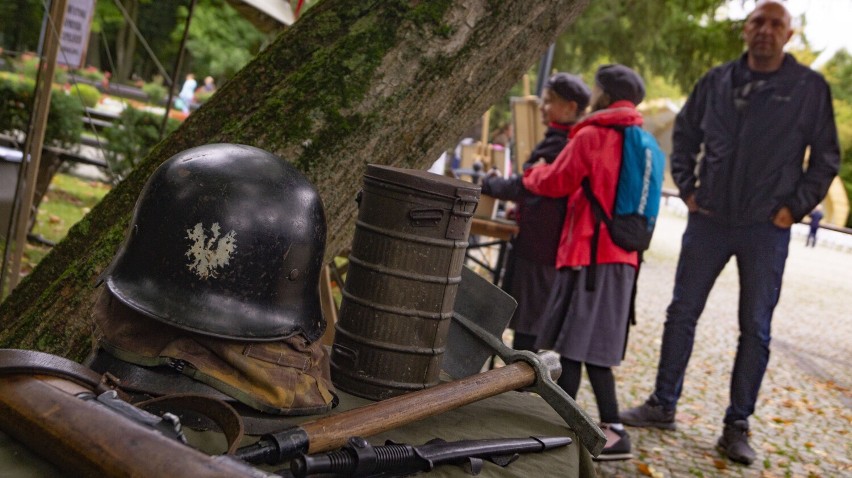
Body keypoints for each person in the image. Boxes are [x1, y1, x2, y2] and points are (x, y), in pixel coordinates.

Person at [619, 1, 840, 466]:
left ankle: (736, 425)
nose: (766, 30)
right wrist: (689, 188)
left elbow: (825, 158)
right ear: (746, 29)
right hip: (710, 220)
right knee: (681, 313)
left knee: (755, 329)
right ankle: (662, 404)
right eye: (758, 21)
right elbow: (685, 136)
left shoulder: (808, 88)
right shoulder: (717, 81)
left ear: (789, 35)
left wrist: (793, 209)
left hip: (766, 228)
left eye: (776, 24)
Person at [522, 64, 649, 461]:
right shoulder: (642, 141)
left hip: (588, 256)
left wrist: (533, 173)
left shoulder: (593, 136)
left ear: (605, 95)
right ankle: (579, 428)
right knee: (581, 348)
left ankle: (600, 431)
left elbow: (556, 181)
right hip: (623, 258)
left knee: (573, 347)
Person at [481, 72, 591, 353]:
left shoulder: (564, 143)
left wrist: (489, 184)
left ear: (570, 107)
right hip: (537, 240)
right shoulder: (558, 138)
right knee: (526, 320)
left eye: (549, 101)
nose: (542, 107)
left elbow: (530, 185)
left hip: (544, 246)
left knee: (530, 325)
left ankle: (521, 388)